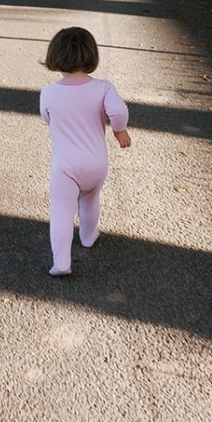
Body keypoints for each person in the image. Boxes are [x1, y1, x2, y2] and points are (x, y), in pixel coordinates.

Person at [39, 27, 131, 277]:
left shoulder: (49, 93)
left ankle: (62, 263)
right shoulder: (103, 88)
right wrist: (119, 130)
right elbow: (119, 111)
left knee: (62, 211)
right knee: (90, 199)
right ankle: (88, 237)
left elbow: (46, 118)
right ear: (91, 55)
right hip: (96, 164)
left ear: (55, 56)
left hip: (65, 168)